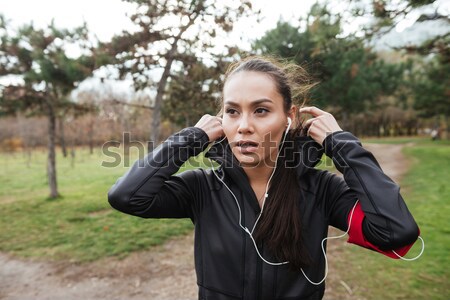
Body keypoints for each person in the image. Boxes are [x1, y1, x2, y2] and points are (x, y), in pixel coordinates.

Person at [108, 56, 421, 299]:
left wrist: (341, 144)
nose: (244, 125)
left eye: (260, 110)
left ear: (289, 117)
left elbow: (395, 232)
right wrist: (191, 137)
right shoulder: (203, 188)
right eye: (232, 111)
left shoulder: (322, 190)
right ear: (220, 121)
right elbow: (127, 196)